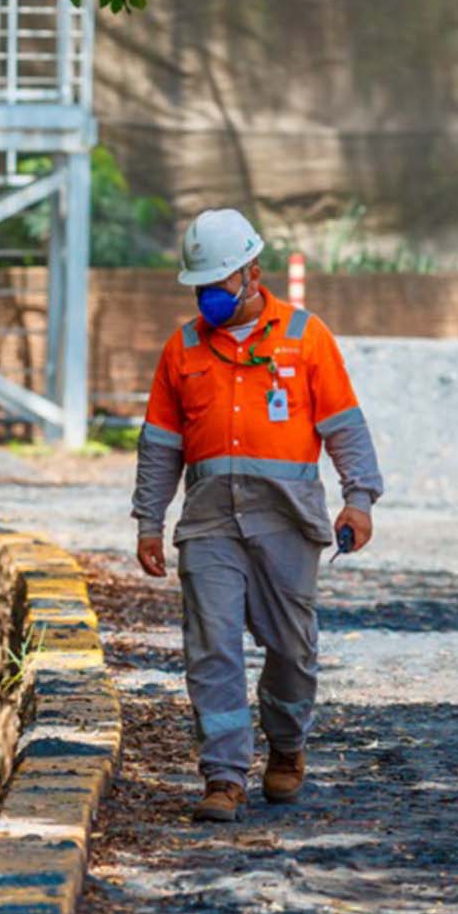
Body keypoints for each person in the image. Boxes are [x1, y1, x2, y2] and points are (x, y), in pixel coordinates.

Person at [130, 209, 385, 822]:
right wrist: (148, 522)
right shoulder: (183, 349)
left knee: (291, 650)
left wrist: (359, 498)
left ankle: (287, 746)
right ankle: (223, 775)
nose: (209, 296)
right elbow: (160, 444)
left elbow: (344, 426)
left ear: (252, 273)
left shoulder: (305, 337)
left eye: (219, 283)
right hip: (210, 527)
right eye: (201, 286)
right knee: (211, 648)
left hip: (287, 525)